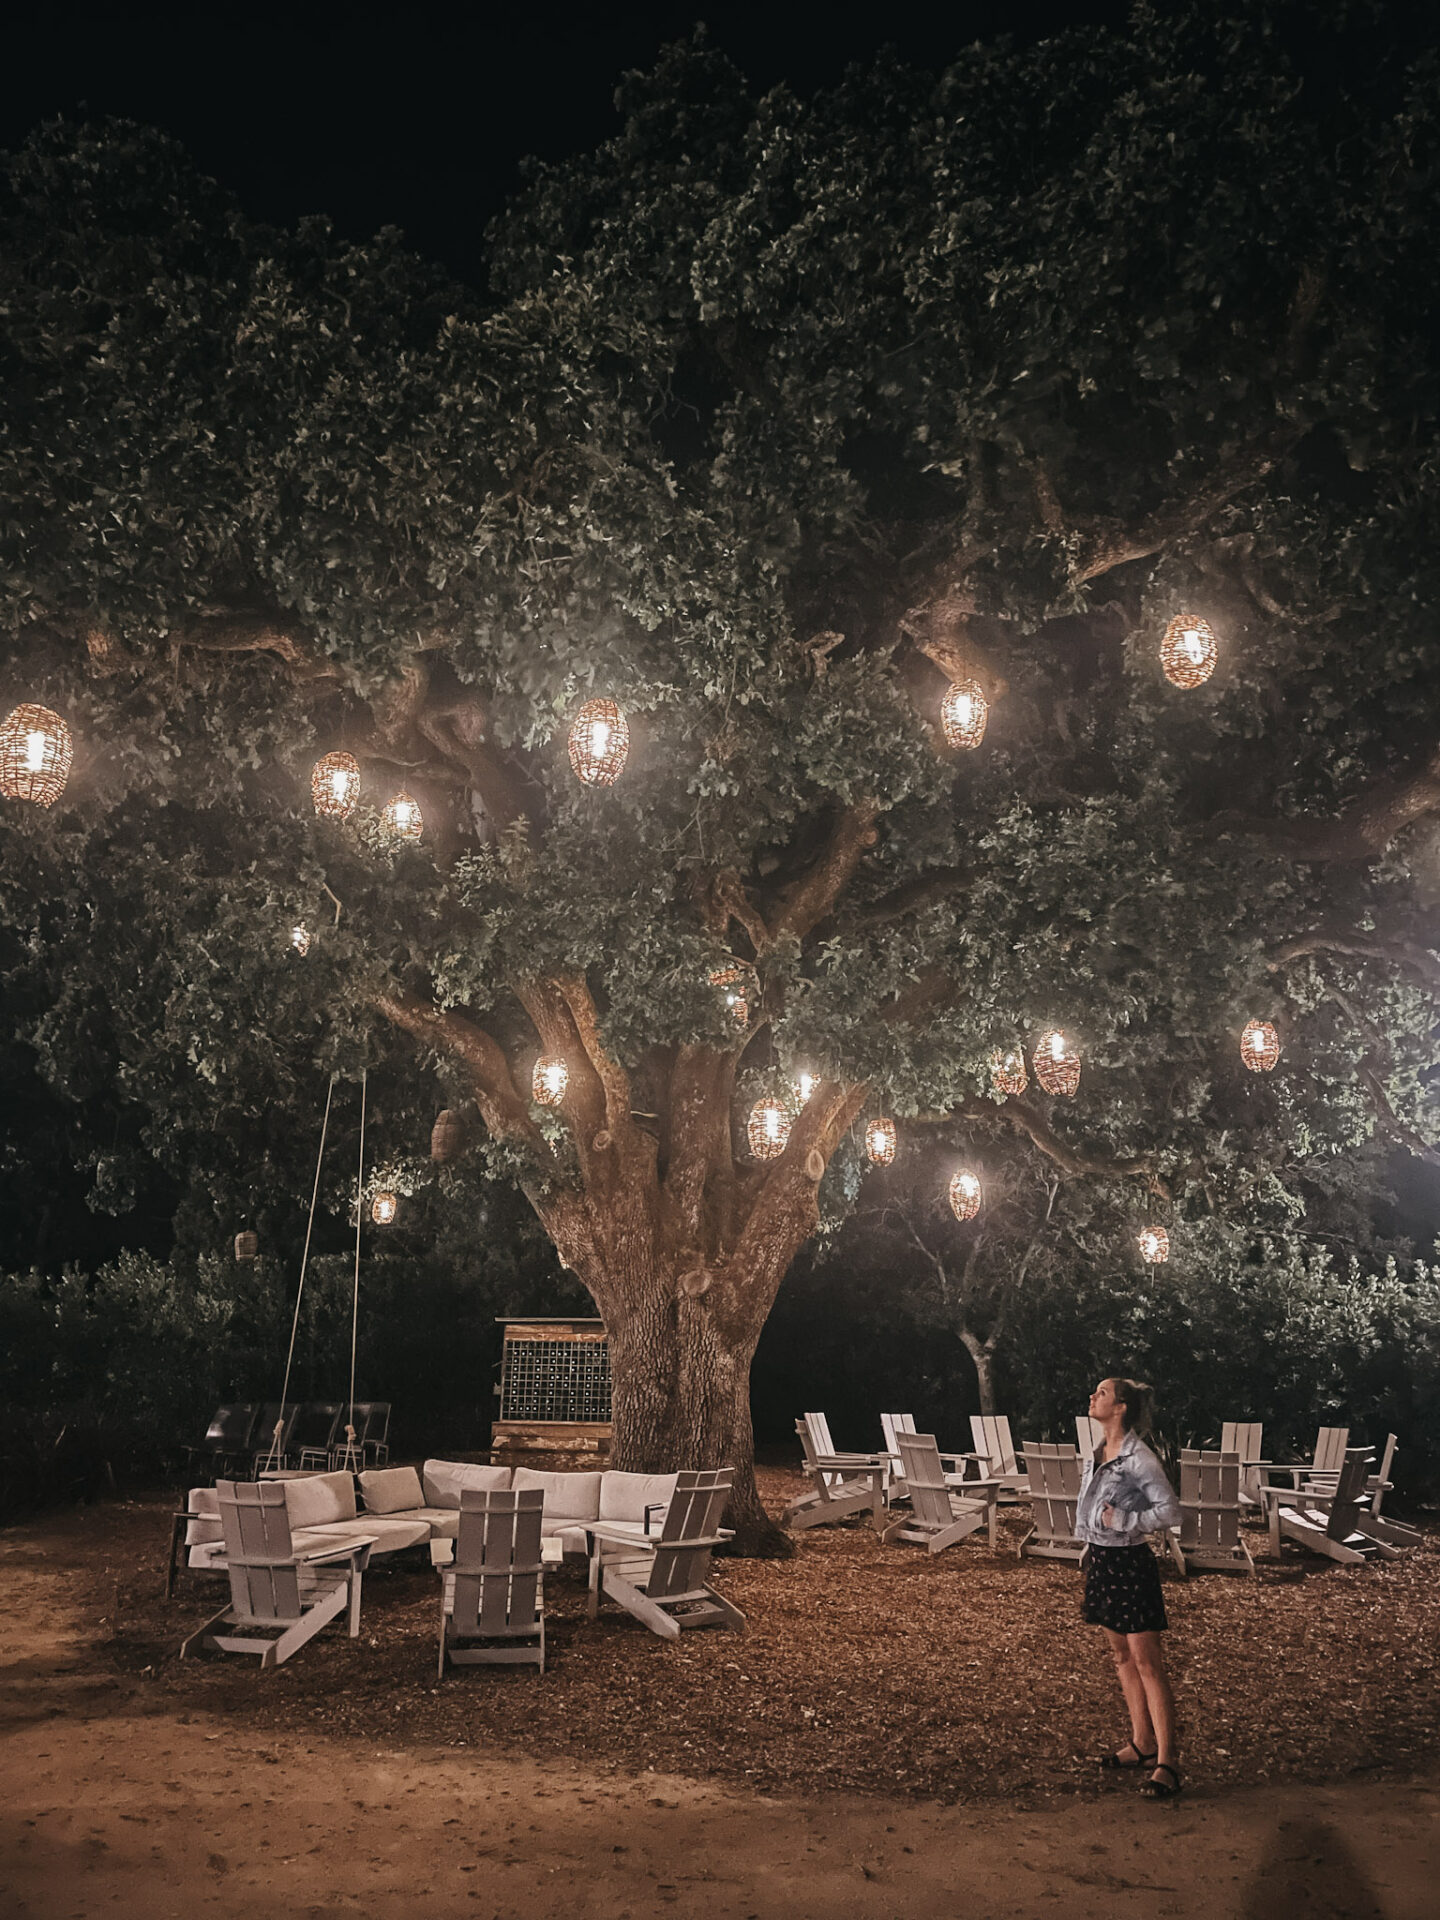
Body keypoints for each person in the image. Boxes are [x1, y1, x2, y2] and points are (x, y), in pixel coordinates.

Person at [1076, 1376, 1184, 1799]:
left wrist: (1124, 1522)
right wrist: (1090, 1541)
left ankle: (1168, 1762)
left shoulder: (1138, 1459)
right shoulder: (1100, 1452)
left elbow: (1170, 1510)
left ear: (1120, 1407)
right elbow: (1091, 1507)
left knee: (1147, 1664)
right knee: (1121, 1656)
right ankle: (1142, 1744)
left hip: (1131, 1566)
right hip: (1103, 1562)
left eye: (1101, 1393)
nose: (1093, 1397)